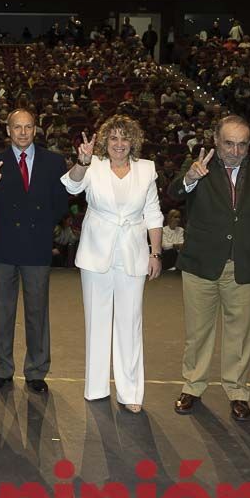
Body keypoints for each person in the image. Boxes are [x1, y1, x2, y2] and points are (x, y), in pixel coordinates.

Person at [168, 115, 250, 422]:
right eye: (229, 143)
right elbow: (174, 193)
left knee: (239, 335)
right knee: (197, 332)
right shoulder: (199, 166)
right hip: (200, 263)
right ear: (216, 140)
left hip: (243, 265)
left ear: (249, 144)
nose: (235, 151)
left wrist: (243, 237)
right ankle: (193, 386)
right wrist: (190, 177)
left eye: (242, 144)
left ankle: (238, 392)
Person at [61, 117, 163, 411]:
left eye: (125, 138)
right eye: (114, 139)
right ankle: (95, 388)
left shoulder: (146, 169)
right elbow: (71, 188)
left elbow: (153, 213)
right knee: (97, 320)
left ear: (134, 141)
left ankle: (130, 393)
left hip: (133, 254)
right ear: (105, 141)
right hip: (96, 253)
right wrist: (81, 161)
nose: (119, 144)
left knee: (130, 323)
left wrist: (155, 253)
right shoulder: (93, 166)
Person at [0, 107, 69, 394]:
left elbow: (61, 205)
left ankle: (36, 372)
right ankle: (1, 370)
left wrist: (43, 227)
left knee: (37, 312)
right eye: (17, 127)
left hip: (37, 248)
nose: (22, 132)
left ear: (36, 129)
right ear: (7, 131)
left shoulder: (54, 162)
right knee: (2, 312)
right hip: (4, 248)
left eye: (28, 127)